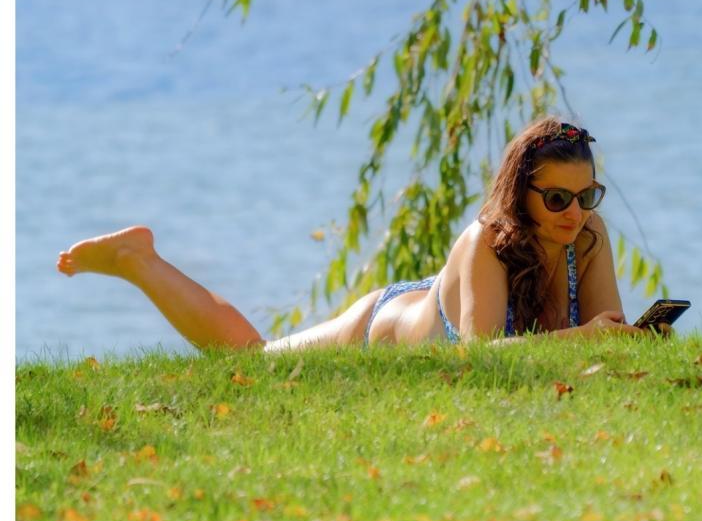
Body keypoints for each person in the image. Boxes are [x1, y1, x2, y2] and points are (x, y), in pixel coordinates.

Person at [56, 116, 647, 354]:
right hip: (384, 323)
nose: (574, 212)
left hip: (420, 306)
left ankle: (138, 258)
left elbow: (604, 335)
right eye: (557, 198)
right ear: (520, 195)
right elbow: (480, 357)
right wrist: (584, 341)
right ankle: (139, 259)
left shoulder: (588, 235)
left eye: (586, 196)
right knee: (258, 362)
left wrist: (626, 341)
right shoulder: (483, 242)